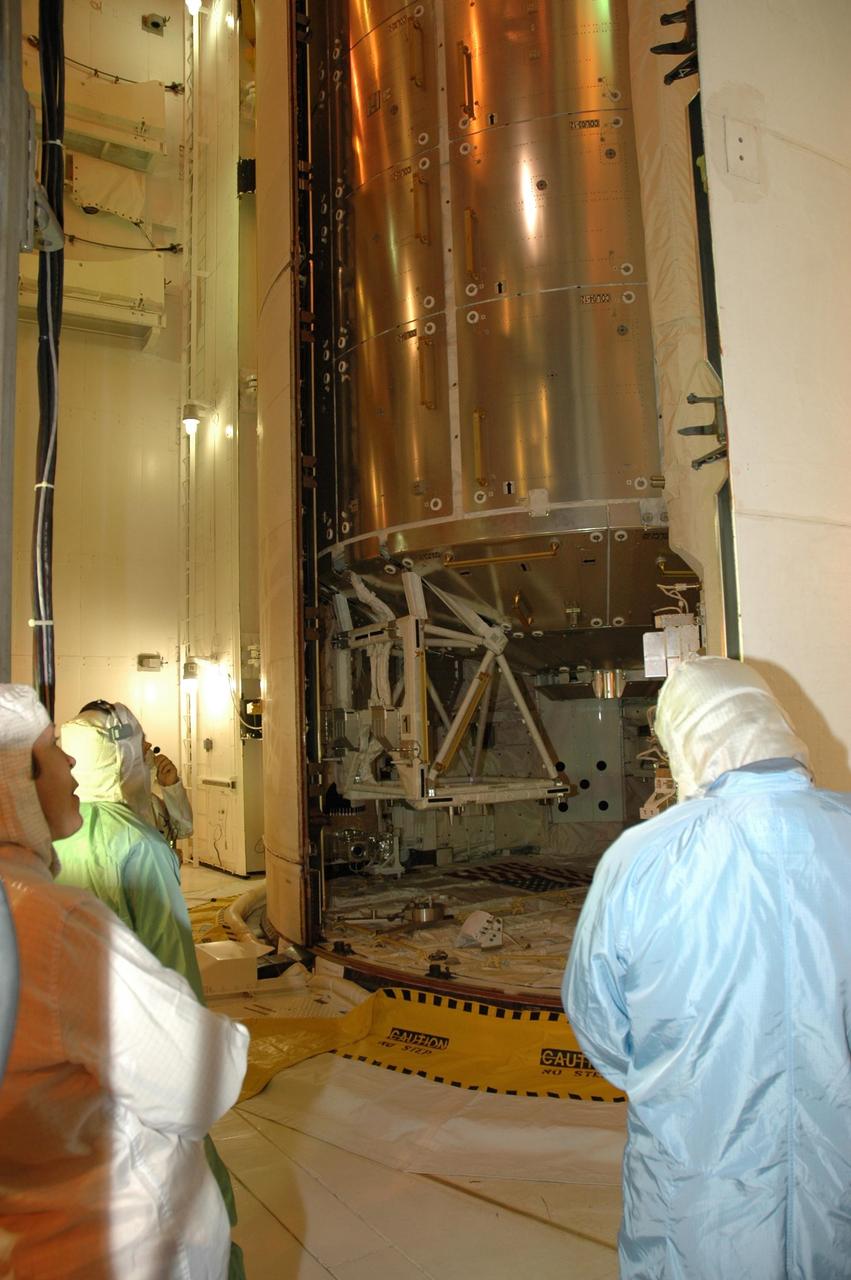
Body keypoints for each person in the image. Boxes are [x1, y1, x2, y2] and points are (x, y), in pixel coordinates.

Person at [562, 655, 851, 1279]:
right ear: (772, 721)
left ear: (685, 741)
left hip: (695, 1187)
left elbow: (599, 1023)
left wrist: (675, 1083)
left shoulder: (641, 858)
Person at [0, 683, 248, 1278]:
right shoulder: (58, 919)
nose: (69, 765)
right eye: (55, 749)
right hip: (128, 1238)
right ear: (18, 784)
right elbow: (193, 1072)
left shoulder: (44, 876)